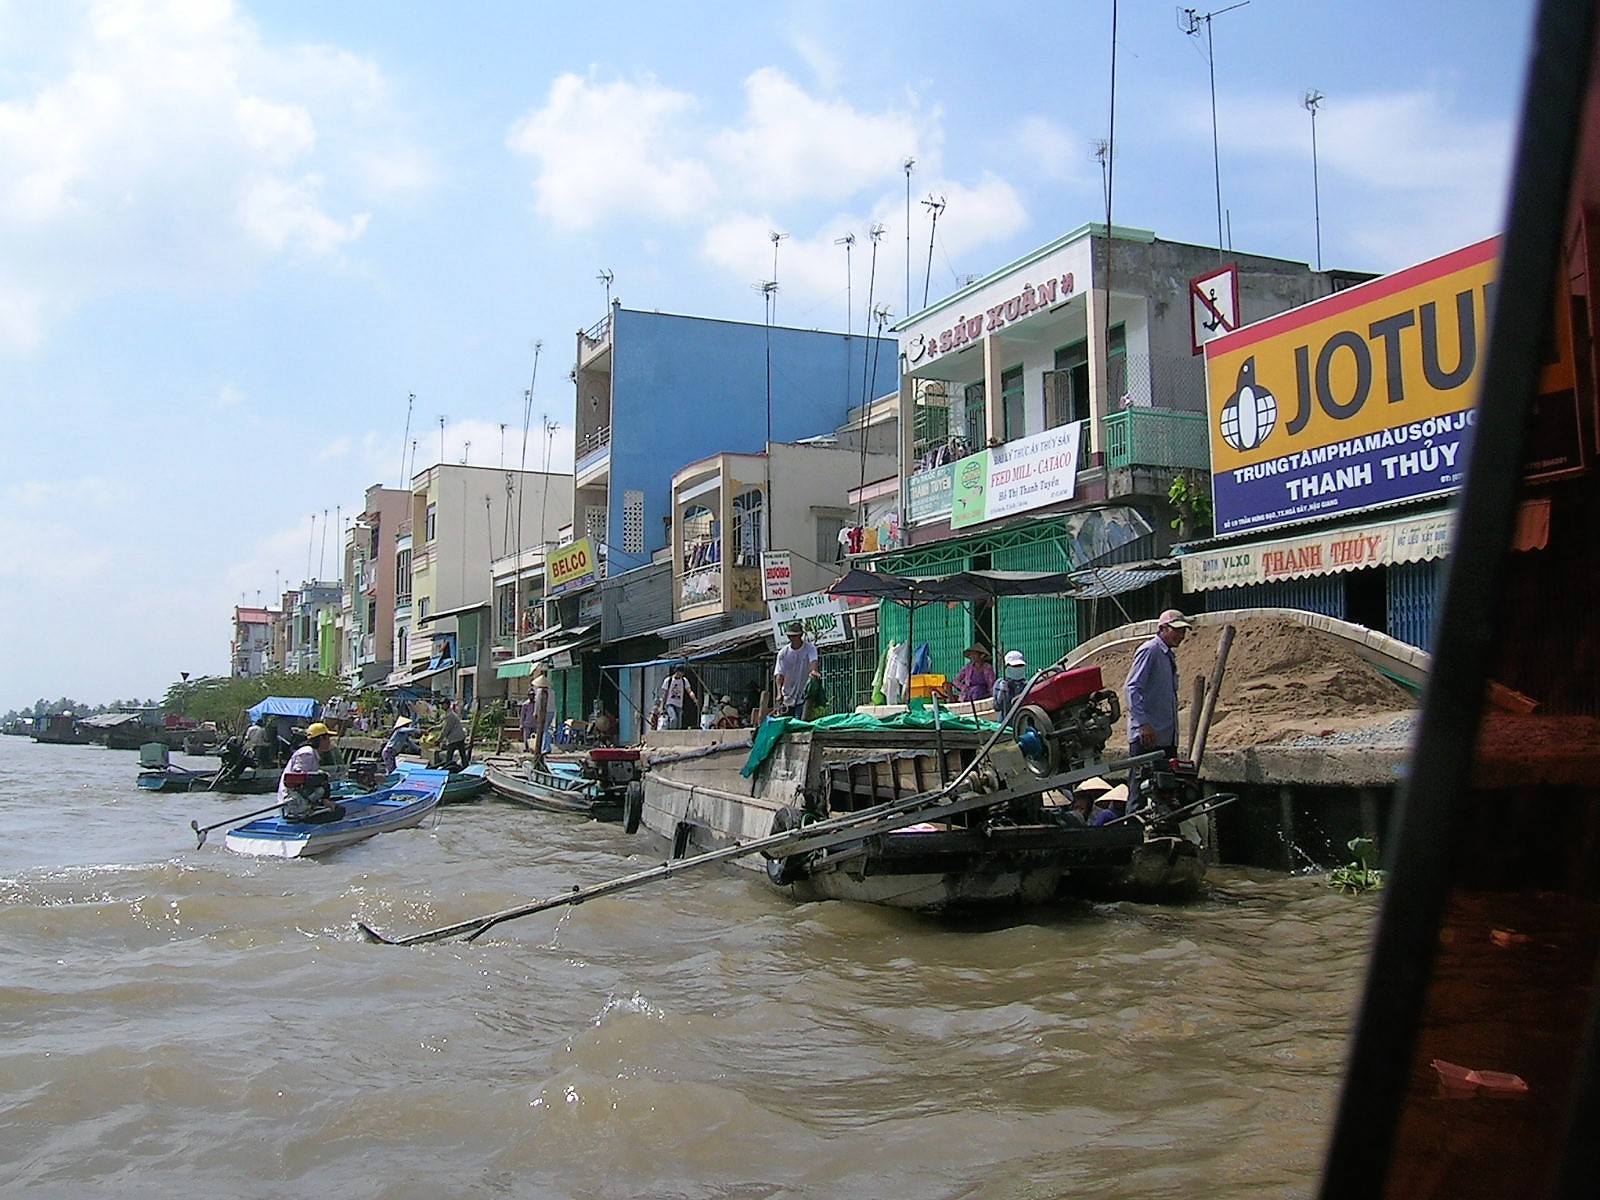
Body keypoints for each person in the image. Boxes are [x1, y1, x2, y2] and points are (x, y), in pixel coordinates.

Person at [1125, 608, 1192, 810]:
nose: (1181, 635)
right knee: (1139, 791)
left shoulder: (1168, 656)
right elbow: (1132, 688)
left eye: (1183, 631)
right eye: (1177, 630)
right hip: (1148, 738)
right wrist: (1143, 724)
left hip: (1165, 737)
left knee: (1165, 792)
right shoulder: (1150, 650)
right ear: (1162, 629)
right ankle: (1133, 825)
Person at [279, 721, 346, 824]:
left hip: (302, 800)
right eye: (328, 738)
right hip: (294, 804)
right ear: (321, 739)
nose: (329, 742)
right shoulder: (307, 753)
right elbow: (297, 778)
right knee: (339, 811)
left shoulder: (313, 754)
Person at [773, 621, 819, 718]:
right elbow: (779, 674)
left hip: (803, 695)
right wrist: (779, 692)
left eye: (794, 636)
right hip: (787, 695)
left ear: (800, 635)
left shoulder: (810, 648)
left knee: (801, 722)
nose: (792, 639)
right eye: (790, 636)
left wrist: (814, 671)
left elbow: (813, 661)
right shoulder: (783, 653)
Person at [991, 650, 1030, 721]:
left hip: (1021, 722)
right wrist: (1001, 692)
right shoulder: (1000, 683)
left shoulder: (1027, 685)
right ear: (1007, 667)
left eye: (1020, 666)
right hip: (1005, 722)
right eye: (1014, 666)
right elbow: (997, 707)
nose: (1018, 668)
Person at [657, 664, 697, 730]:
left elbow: (689, 691)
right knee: (673, 718)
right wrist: (662, 706)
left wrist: (694, 699)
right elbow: (665, 694)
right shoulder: (668, 680)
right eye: (681, 672)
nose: (682, 674)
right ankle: (671, 732)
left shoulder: (684, 680)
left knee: (679, 723)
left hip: (679, 704)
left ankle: (676, 733)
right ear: (677, 671)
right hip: (670, 703)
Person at [438, 701, 469, 771]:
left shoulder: (450, 715)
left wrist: (439, 739)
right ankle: (465, 767)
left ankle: (447, 769)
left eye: (443, 704)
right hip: (458, 737)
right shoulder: (448, 714)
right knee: (462, 755)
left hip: (455, 738)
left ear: (447, 705)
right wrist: (434, 728)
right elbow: (442, 725)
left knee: (449, 756)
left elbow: (445, 729)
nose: (441, 706)